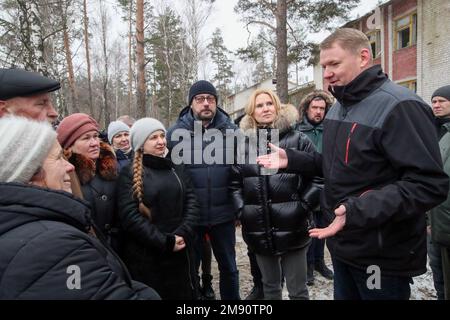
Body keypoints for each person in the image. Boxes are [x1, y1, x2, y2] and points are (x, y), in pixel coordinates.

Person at [257, 28, 449, 300]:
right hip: (344, 246)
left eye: (334, 64)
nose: (326, 73)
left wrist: (355, 209)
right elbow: (341, 166)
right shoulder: (339, 106)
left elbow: (429, 185)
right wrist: (294, 160)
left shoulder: (401, 106)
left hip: (380, 256)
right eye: (324, 66)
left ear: (363, 57)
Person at [0, 116, 160, 299]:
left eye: (95, 136)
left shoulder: (112, 170)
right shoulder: (57, 244)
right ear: (30, 171)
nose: (68, 166)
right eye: (58, 157)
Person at [230, 89, 322, 300]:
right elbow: (234, 183)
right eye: (259, 105)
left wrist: (304, 205)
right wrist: (243, 210)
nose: (265, 109)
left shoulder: (298, 140)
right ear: (251, 113)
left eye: (269, 103)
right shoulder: (243, 146)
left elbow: (319, 176)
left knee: (298, 291)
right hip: (259, 228)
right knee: (270, 288)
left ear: (277, 107)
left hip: (294, 225)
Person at [167, 80, 240, 300]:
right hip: (191, 217)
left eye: (211, 99)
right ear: (191, 103)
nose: (206, 103)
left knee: (229, 267)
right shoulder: (174, 133)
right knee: (191, 269)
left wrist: (239, 207)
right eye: (200, 99)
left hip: (224, 214)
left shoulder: (232, 131)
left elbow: (242, 171)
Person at [116, 118, 200, 299]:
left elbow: (192, 201)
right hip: (149, 256)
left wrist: (182, 233)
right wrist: (164, 241)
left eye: (162, 136)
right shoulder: (128, 173)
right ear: (141, 144)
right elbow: (130, 217)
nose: (161, 141)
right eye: (153, 137)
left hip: (182, 249)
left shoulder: (176, 166)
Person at [56, 113, 121, 252]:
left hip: (118, 248)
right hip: (86, 249)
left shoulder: (112, 168)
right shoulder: (63, 175)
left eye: (95, 136)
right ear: (69, 145)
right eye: (86, 138)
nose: (94, 143)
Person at [295, 90, 334, 286]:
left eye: (322, 108)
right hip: (306, 186)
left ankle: (320, 262)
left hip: (327, 187)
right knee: (308, 228)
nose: (318, 112)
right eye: (314, 108)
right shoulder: (298, 130)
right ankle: (307, 265)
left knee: (324, 227)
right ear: (307, 109)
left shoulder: (332, 129)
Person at [429, 85, 450, 300]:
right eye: (434, 101)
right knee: (437, 269)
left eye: (442, 101)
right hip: (435, 218)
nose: (436, 105)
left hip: (446, 218)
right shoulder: (432, 129)